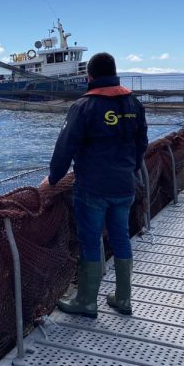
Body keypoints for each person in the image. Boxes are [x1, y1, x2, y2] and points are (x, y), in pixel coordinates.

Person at [41, 52, 148, 318]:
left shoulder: (84, 106)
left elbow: (65, 146)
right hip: (124, 186)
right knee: (121, 236)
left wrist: (53, 179)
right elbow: (141, 144)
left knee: (90, 242)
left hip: (93, 187)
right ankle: (123, 299)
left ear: (89, 77)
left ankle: (87, 302)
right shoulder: (133, 103)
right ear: (115, 72)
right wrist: (130, 169)